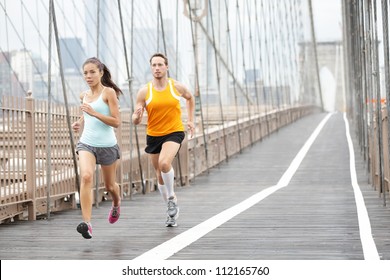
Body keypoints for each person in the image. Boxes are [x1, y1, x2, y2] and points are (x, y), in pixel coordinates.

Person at [132, 53, 195, 227]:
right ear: (151, 68)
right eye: (154, 65)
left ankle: (172, 197)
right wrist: (137, 116)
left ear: (167, 67)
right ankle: (170, 210)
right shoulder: (145, 91)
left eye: (160, 65)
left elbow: (190, 98)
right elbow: (135, 119)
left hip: (174, 132)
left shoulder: (176, 87)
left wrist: (190, 120)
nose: (157, 68)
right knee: (159, 173)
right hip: (153, 135)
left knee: (165, 164)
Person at [72, 57, 122, 239]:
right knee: (86, 176)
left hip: (107, 146)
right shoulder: (83, 95)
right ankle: (87, 223)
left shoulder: (109, 93)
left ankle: (116, 203)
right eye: (85, 73)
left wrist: (94, 112)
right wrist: (80, 121)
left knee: (110, 186)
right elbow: (87, 113)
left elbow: (116, 122)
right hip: (87, 143)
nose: (89, 76)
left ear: (101, 73)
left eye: (92, 72)